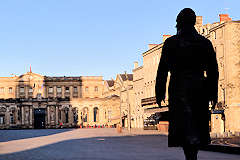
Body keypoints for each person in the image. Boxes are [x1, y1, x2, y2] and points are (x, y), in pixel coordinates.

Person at [155, 8, 219, 160]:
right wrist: (213, 93)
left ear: (179, 23)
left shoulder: (171, 43)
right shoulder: (204, 42)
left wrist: (160, 92)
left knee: (184, 129)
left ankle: (190, 156)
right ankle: (192, 156)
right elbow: (213, 71)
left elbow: (162, 70)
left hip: (178, 88)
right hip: (199, 88)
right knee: (195, 128)